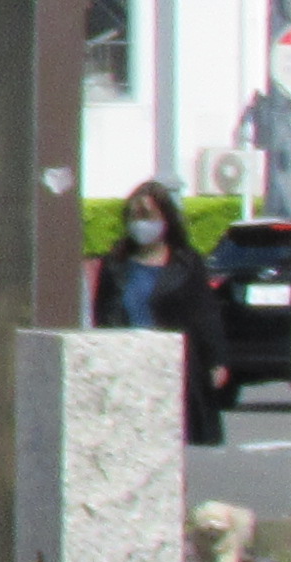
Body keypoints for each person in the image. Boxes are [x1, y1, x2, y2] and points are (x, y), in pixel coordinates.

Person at [90, 179, 225, 442]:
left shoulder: (186, 264)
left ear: (165, 219)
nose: (141, 223)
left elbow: (205, 313)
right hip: (128, 364)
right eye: (135, 216)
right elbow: (103, 313)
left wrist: (216, 360)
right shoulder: (116, 265)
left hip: (175, 367)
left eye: (148, 215)